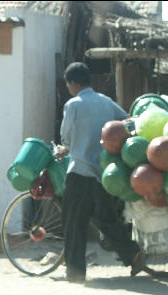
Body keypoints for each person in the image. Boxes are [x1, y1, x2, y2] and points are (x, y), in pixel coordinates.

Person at [54, 62, 147, 283]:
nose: (69, 89)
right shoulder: (106, 102)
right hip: (105, 173)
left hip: (80, 171)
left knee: (74, 223)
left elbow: (66, 138)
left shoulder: (73, 105)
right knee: (106, 220)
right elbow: (128, 121)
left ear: (74, 83)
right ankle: (134, 255)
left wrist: (65, 148)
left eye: (68, 85)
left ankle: (75, 273)